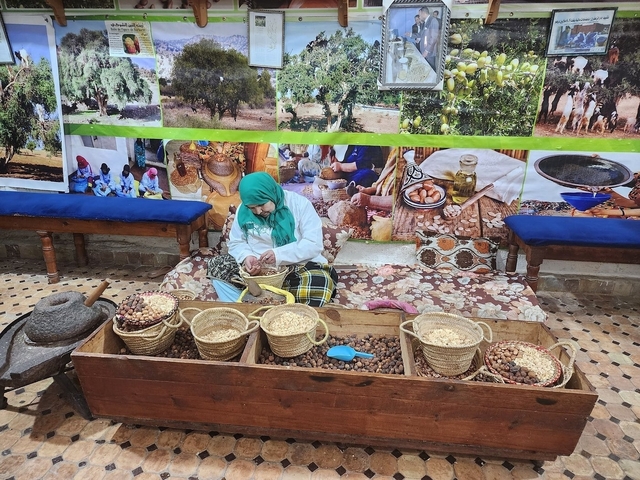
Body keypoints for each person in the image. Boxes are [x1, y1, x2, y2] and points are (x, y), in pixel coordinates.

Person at [227, 172, 338, 306]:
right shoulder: (243, 210)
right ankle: (267, 298)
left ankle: (258, 299)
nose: (258, 211)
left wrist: (278, 255)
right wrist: (247, 257)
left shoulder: (299, 204)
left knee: (320, 283)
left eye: (261, 204)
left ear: (271, 193)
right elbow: (236, 242)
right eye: (252, 208)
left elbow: (313, 244)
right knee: (218, 264)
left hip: (295, 268)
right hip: (258, 272)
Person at [418, 6, 440, 71]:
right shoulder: (426, 21)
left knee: (431, 70)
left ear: (423, 13)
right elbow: (425, 35)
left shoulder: (433, 21)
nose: (419, 16)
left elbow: (433, 38)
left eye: (419, 14)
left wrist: (426, 51)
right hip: (426, 52)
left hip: (429, 53)